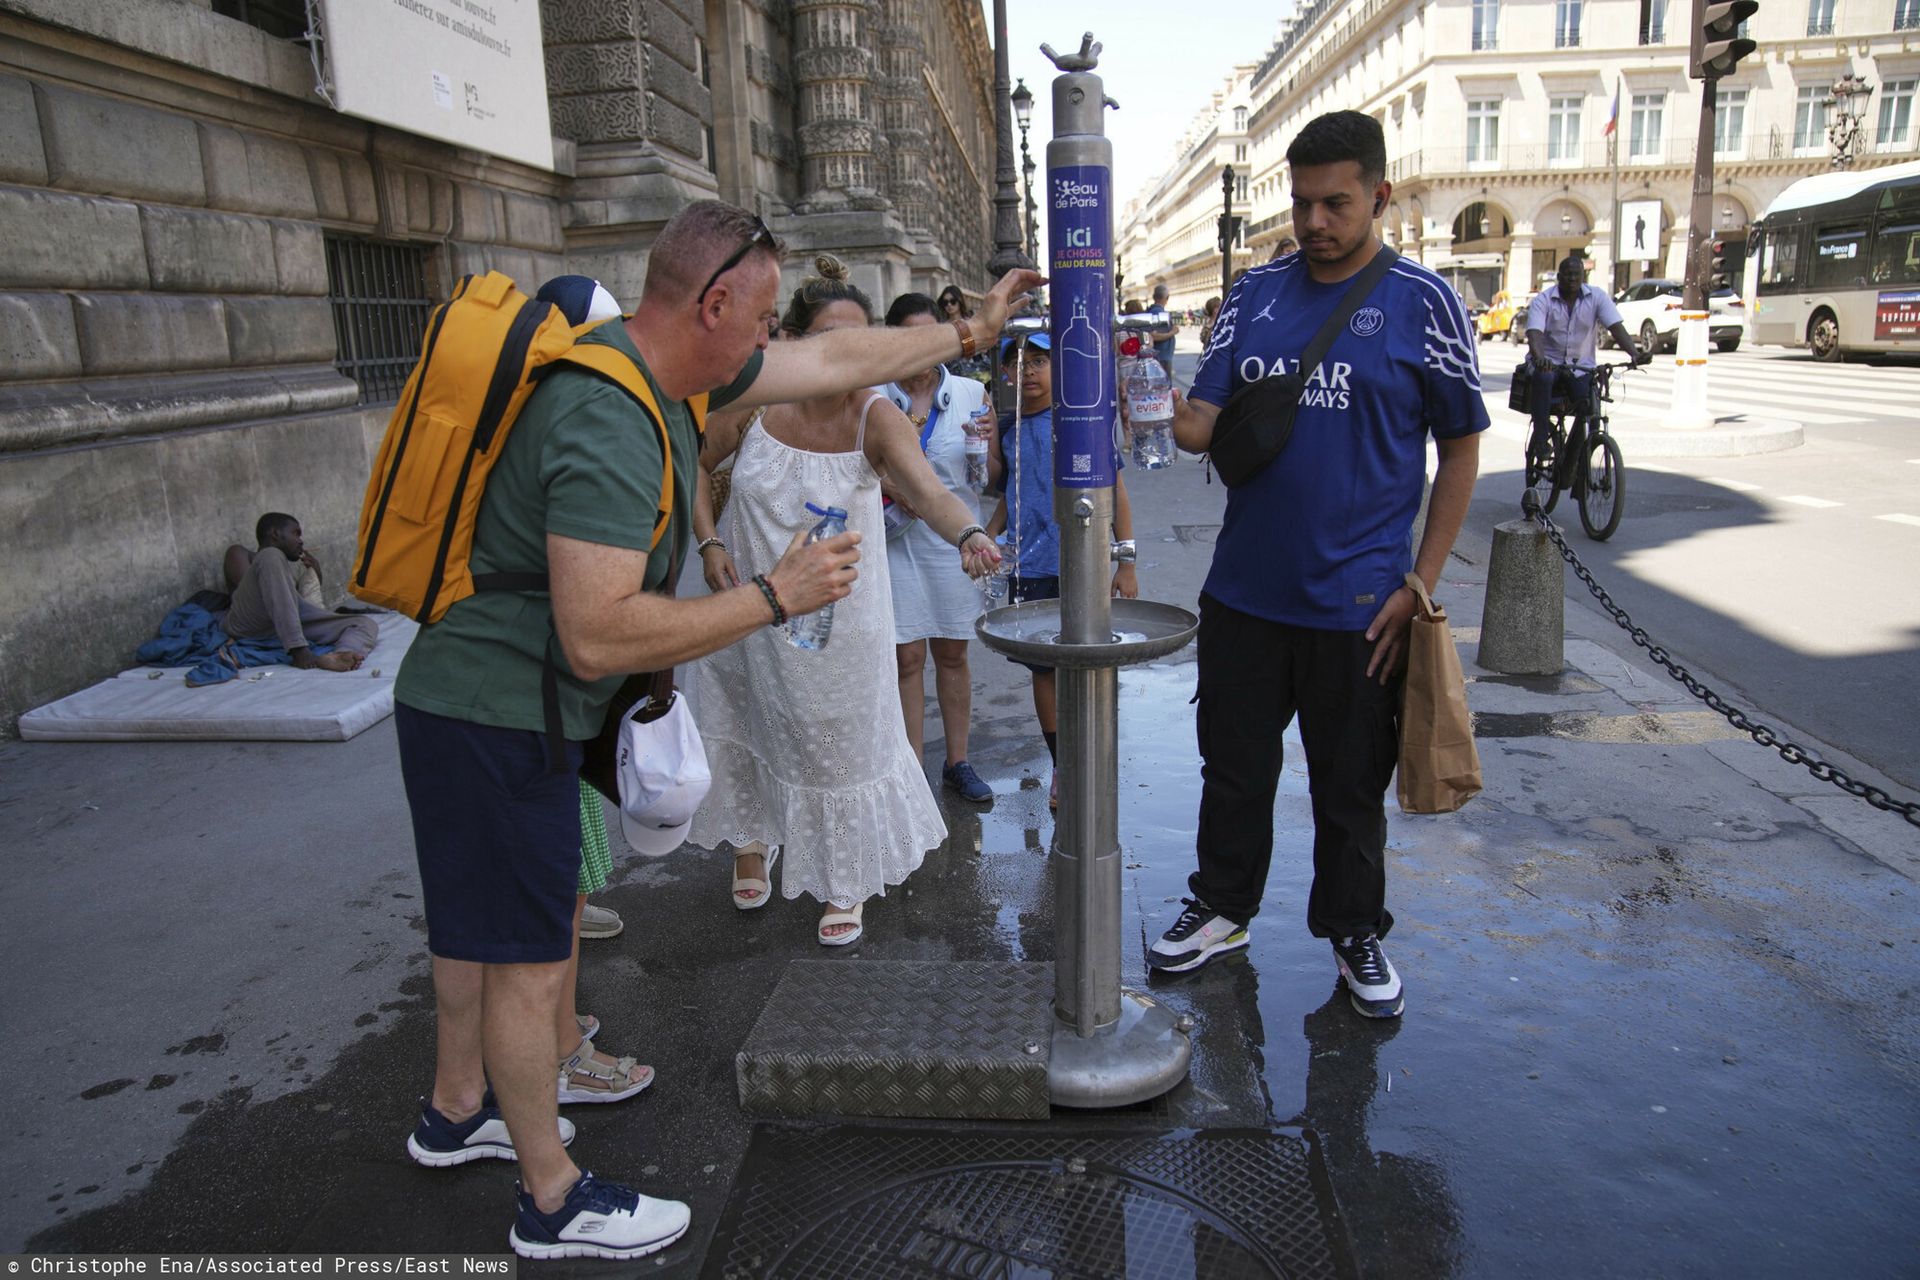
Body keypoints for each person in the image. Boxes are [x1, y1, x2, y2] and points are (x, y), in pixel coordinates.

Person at [391, 199, 1041, 1260]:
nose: (773, 338)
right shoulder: (608, 412)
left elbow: (843, 355)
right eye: (763, 314)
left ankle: (456, 1108)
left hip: (485, 702)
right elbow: (598, 634)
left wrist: (967, 333)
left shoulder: (670, 373)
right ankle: (550, 1198)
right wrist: (775, 597)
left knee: (482, 928)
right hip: (496, 712)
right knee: (520, 956)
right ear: (715, 301)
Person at [1149, 111, 1487, 1020]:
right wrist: (1143, 392)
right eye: (1301, 204)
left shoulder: (1427, 302)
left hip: (1361, 603)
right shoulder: (1254, 296)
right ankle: (1222, 907)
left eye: (1335, 203)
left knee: (1349, 790)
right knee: (1234, 770)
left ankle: (1354, 929)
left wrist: (1423, 583)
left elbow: (1460, 450)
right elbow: (1200, 429)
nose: (1314, 222)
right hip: (1245, 595)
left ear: (1378, 195)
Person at [687, 258, 1001, 945]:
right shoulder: (752, 403)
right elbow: (687, 464)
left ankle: (844, 875)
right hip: (747, 607)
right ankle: (750, 837)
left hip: (840, 623)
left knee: (838, 744)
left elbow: (929, 492)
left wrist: (971, 532)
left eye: (864, 343)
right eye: (833, 342)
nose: (848, 360)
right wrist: (710, 543)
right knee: (749, 719)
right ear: (794, 343)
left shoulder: (876, 415)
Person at [984, 332, 1139, 810]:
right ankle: (1062, 768)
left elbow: (1115, 489)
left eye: (1040, 360)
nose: (1027, 370)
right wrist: (984, 539)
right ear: (1006, 373)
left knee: (1088, 664)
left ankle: (1093, 757)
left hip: (1081, 561)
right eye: (1018, 362)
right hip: (1027, 565)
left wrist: (1125, 559)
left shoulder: (1079, 423)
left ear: (1060, 369)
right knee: (1044, 670)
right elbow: (1012, 496)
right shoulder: (1008, 429)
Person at [878, 292, 998, 803]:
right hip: (895, 536)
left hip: (954, 540)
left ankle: (958, 761)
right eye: (911, 337)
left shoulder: (973, 393)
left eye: (933, 335)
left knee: (952, 653)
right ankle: (910, 770)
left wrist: (991, 444)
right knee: (906, 658)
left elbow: (990, 480)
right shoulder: (873, 396)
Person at [1524, 254, 1646, 486]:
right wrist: (1540, 358)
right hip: (1549, 363)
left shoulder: (1596, 297)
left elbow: (1615, 327)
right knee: (1544, 378)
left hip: (1579, 367)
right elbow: (1534, 334)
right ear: (1559, 277)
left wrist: (1634, 353)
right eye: (1567, 275)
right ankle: (1541, 439)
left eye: (1576, 275)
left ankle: (1576, 460)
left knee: (1589, 407)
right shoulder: (1544, 300)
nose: (1571, 278)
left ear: (1583, 277)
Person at [222, 513, 376, 671]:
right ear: (275, 534)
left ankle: (341, 655)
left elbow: (293, 604)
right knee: (271, 555)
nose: (301, 541)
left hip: (282, 626)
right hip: (250, 627)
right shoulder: (244, 554)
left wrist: (315, 572)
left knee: (364, 623)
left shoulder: (281, 565)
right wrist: (298, 646)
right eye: (295, 533)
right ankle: (298, 649)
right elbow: (263, 596)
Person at [937, 285, 992, 384]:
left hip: (975, 371)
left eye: (953, 301)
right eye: (945, 303)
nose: (949, 305)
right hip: (952, 373)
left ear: (960, 301)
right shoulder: (942, 326)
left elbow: (984, 346)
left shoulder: (971, 322)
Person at [1147, 283, 1179, 372]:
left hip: (1160, 356)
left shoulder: (1152, 311)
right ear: (1166, 298)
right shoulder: (1159, 313)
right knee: (1164, 384)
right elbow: (1154, 336)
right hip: (1162, 357)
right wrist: (1173, 332)